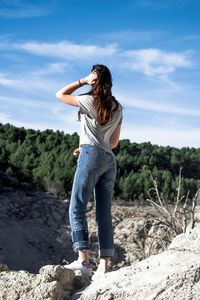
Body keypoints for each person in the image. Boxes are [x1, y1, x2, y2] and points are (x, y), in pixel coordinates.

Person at [56, 64, 123, 279]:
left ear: (94, 79)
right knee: (104, 214)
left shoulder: (87, 100)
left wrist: (82, 81)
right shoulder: (118, 107)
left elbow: (60, 94)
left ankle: (84, 261)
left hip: (91, 155)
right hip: (108, 160)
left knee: (77, 206)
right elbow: (113, 143)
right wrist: (87, 145)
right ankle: (104, 267)